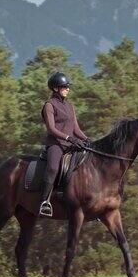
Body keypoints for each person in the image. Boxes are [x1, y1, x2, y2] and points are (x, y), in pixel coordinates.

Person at [39, 72, 90, 216]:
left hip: (71, 143)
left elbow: (76, 129)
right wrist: (69, 138)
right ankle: (45, 201)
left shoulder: (70, 106)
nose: (68, 88)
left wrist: (86, 139)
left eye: (68, 86)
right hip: (56, 144)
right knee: (54, 167)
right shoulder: (49, 105)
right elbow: (51, 129)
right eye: (65, 86)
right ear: (55, 88)